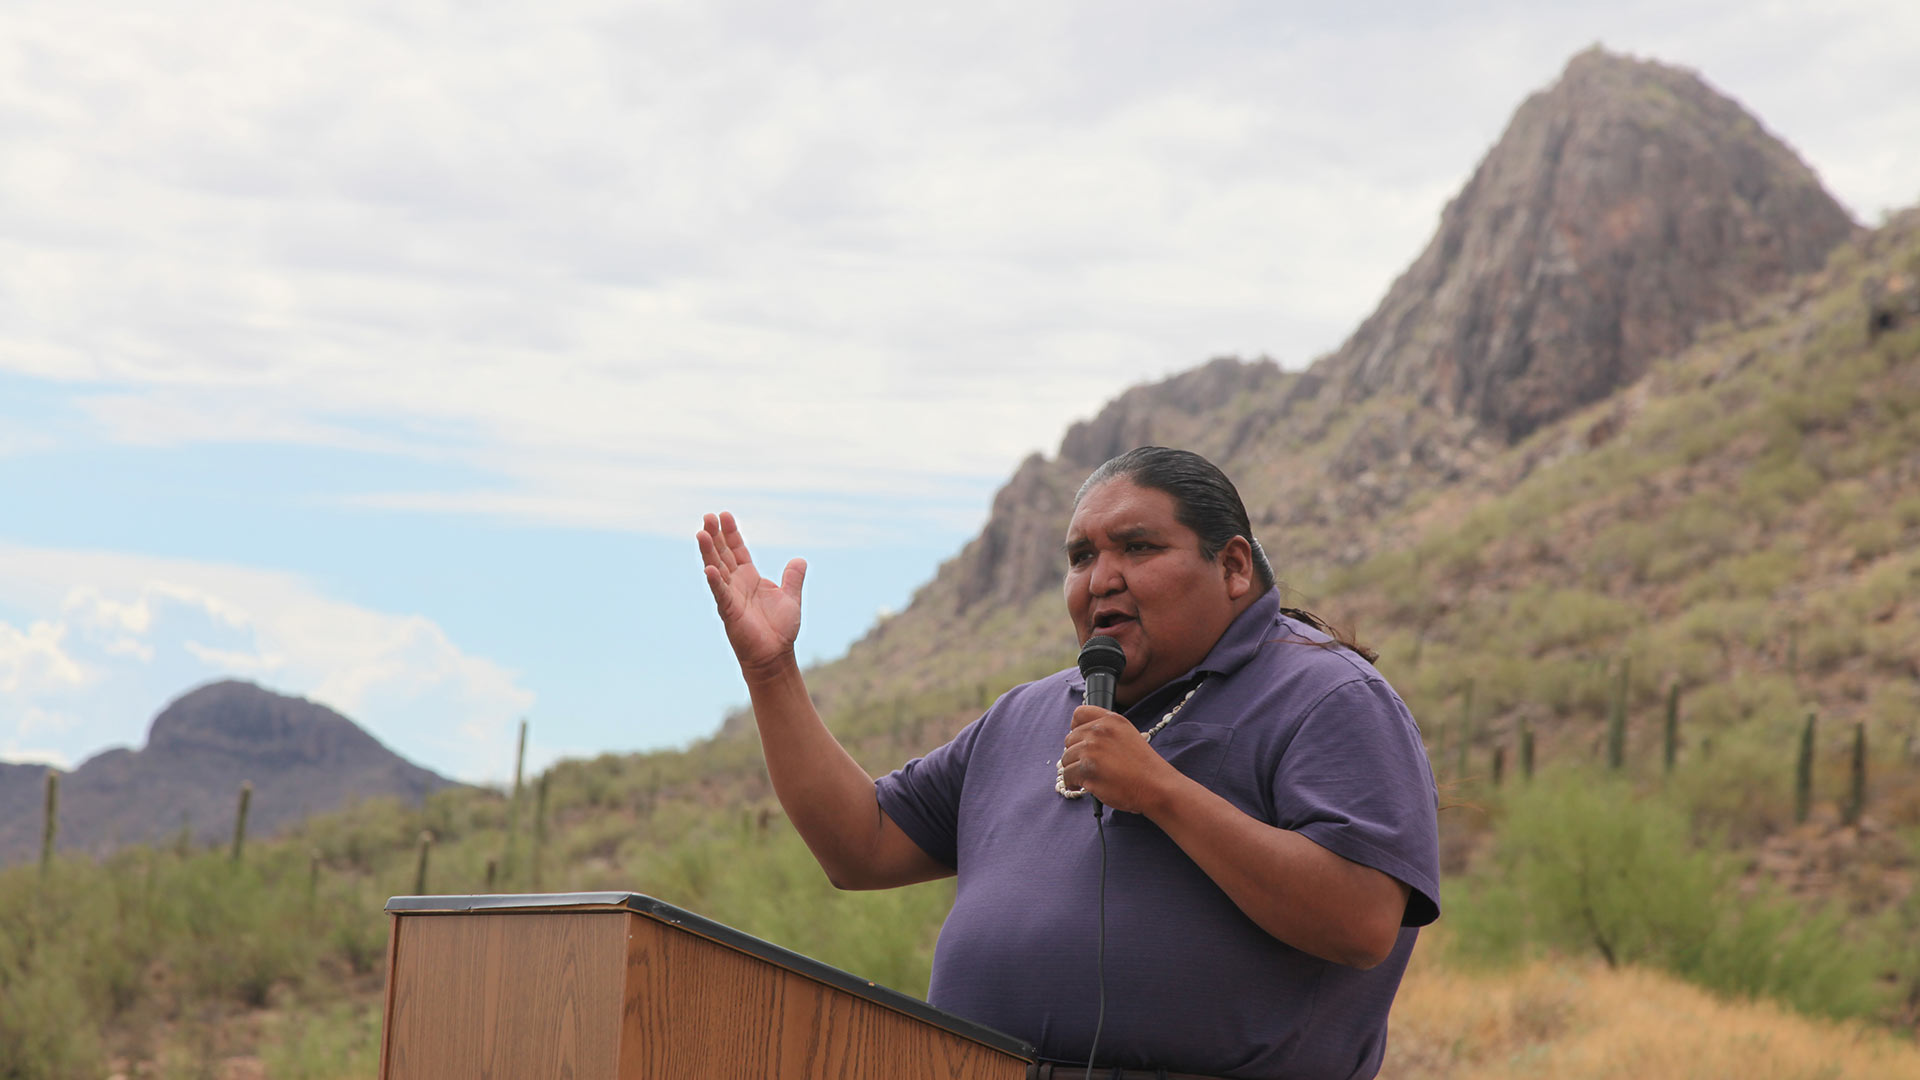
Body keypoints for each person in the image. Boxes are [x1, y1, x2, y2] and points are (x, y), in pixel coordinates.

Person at [697, 446, 1439, 1080]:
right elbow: (860, 844)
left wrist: (1162, 792)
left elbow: (1362, 920)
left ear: (1234, 567)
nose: (1101, 578)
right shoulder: (1029, 714)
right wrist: (772, 673)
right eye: (1082, 556)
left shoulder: (1327, 694)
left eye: (1137, 548)